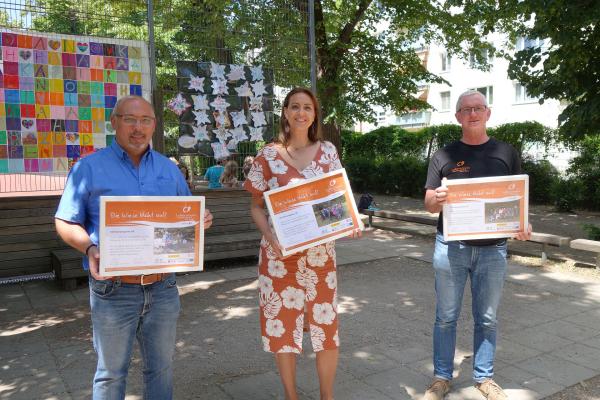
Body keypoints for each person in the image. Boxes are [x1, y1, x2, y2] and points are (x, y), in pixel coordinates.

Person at [54, 95, 213, 400]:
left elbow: (185, 214)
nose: (138, 128)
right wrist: (89, 248)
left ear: (154, 125)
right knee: (111, 374)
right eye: (130, 119)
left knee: (161, 369)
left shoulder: (169, 170)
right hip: (113, 291)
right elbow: (64, 221)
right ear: (114, 123)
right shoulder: (88, 168)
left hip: (163, 288)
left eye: (145, 120)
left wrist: (200, 219)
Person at [244, 87, 360, 400]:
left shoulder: (327, 151)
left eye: (307, 107)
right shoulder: (268, 155)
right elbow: (256, 205)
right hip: (279, 257)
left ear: (314, 114)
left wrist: (348, 221)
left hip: (321, 257)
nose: (300, 112)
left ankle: (326, 396)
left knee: (326, 329)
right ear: (285, 112)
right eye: (294, 106)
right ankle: (291, 396)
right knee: (283, 328)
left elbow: (337, 200)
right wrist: (270, 236)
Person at [422, 90, 532, 400]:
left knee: (487, 317)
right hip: (450, 248)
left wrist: (523, 223)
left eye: (478, 107)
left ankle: (484, 378)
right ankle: (441, 378)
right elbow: (429, 203)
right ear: (457, 116)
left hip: (493, 249)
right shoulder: (443, 155)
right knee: (446, 316)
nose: (473, 113)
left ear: (488, 113)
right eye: (466, 109)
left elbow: (517, 199)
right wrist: (437, 199)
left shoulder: (506, 153)